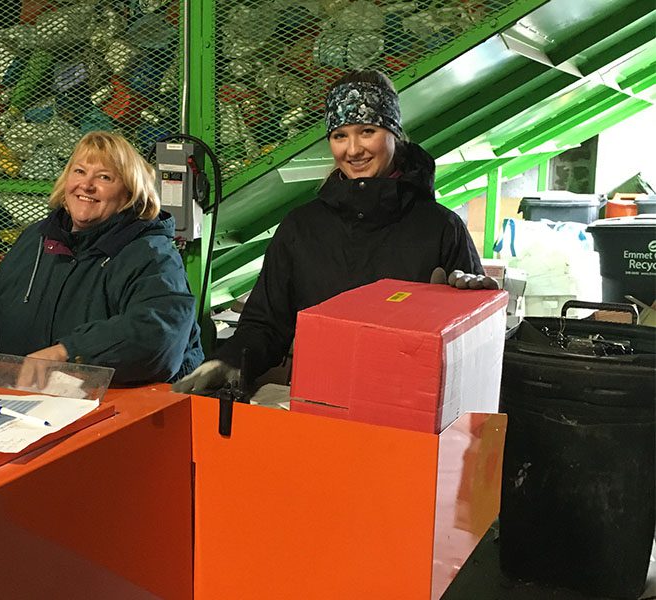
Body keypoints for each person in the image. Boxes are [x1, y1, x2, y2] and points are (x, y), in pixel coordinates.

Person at [174, 69, 494, 396]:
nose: (353, 150)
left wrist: (468, 301)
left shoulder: (441, 227)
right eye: (340, 136)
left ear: (394, 133)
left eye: (367, 131)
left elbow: (475, 344)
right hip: (319, 402)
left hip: (407, 409)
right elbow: (264, 324)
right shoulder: (302, 227)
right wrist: (229, 361)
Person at [0, 131, 204, 386]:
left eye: (104, 177)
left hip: (127, 408)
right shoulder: (37, 239)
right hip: (40, 401)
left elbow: (158, 334)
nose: (86, 185)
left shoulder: (150, 254)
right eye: (79, 171)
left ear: (129, 193)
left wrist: (68, 351)